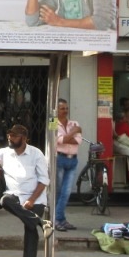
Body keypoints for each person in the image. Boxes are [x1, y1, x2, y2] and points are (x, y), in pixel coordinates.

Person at [0, 124, 50, 257]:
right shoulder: (5, 153)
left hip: (35, 196)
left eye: (14, 136)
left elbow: (43, 181)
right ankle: (41, 223)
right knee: (4, 200)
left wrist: (31, 200)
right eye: (9, 135)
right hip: (14, 195)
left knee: (29, 228)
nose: (10, 138)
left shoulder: (36, 154)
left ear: (24, 138)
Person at [54, 98, 81, 231]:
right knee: (59, 191)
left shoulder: (74, 123)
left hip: (73, 160)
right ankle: (58, 219)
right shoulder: (52, 122)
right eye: (62, 108)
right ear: (56, 110)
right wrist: (74, 132)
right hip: (60, 159)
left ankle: (58, 218)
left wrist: (68, 137)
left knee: (67, 191)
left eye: (66, 108)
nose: (65, 111)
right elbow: (58, 141)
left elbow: (78, 141)